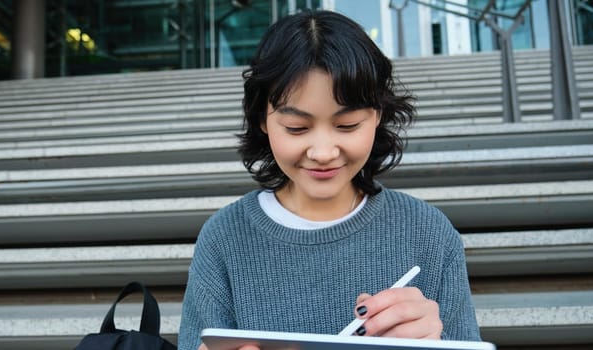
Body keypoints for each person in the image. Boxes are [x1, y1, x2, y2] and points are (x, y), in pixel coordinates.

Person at [178, 10, 481, 350]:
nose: (323, 152)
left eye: (347, 124)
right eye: (297, 128)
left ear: (377, 115)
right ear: (262, 118)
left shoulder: (428, 233)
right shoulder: (224, 237)